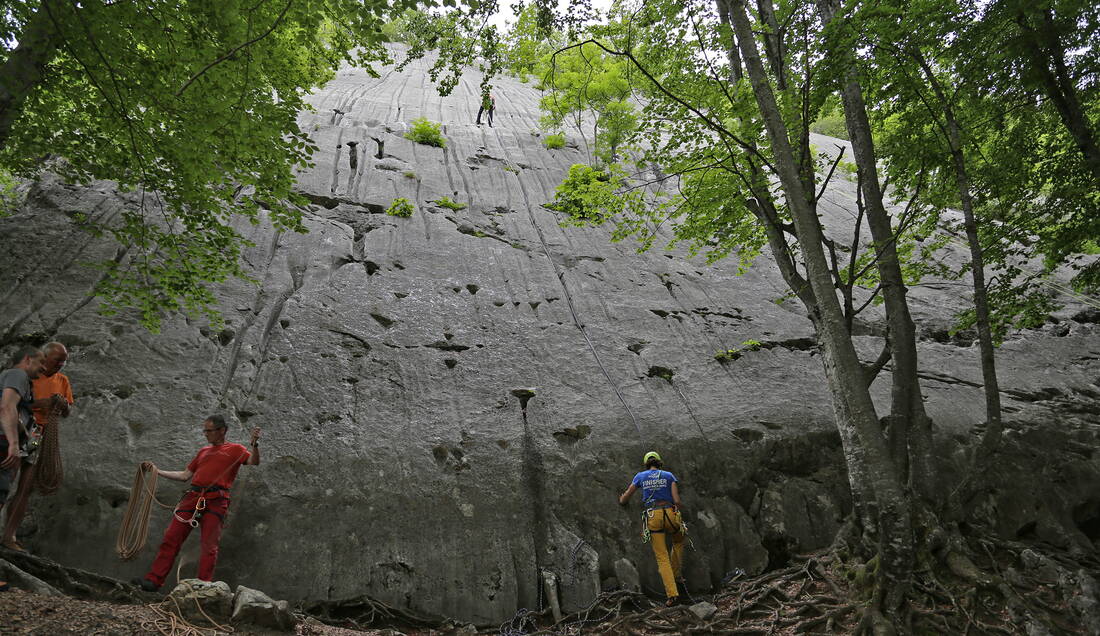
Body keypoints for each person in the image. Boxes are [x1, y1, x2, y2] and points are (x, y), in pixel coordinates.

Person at [133, 415, 261, 592]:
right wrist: (157, 471)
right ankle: (154, 581)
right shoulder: (203, 452)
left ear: (221, 430)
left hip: (216, 500)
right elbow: (185, 475)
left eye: (208, 431)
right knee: (171, 537)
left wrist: (254, 445)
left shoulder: (235, 449)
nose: (205, 434)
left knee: (209, 545)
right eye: (205, 430)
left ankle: (203, 587)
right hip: (193, 497)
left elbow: (253, 461)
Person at [2, 342, 73, 551]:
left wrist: (62, 405)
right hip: (20, 428)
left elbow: (68, 411)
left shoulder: (62, 380)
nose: (59, 365)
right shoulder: (28, 375)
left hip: (39, 434)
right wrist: (41, 404)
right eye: (56, 360)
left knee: (26, 486)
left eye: (63, 361)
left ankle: (9, 536)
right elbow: (14, 404)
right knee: (7, 478)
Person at [0, 346, 45, 591]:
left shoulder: (20, 381)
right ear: (27, 360)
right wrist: (14, 444)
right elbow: (6, 407)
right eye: (40, 363)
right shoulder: (18, 375)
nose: (43, 368)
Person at [619, 451, 685, 606]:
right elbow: (676, 500)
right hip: (670, 513)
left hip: (653, 515)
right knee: (679, 540)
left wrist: (621, 499)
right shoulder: (669, 476)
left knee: (662, 557)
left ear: (646, 463)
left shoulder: (640, 476)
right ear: (659, 462)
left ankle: (672, 594)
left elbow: (626, 497)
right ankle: (676, 573)